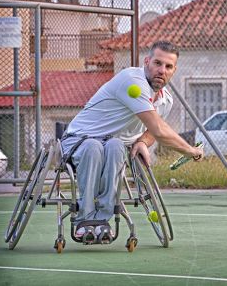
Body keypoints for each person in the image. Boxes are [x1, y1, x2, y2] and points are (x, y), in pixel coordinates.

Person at [61, 41, 203, 242]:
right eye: (157, 63)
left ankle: (102, 221)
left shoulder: (166, 100)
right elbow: (160, 130)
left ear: (174, 70)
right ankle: (84, 219)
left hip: (115, 145)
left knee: (116, 145)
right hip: (78, 140)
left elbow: (152, 130)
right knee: (94, 146)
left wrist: (144, 142)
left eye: (168, 66)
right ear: (147, 62)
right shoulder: (132, 81)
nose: (162, 70)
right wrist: (191, 151)